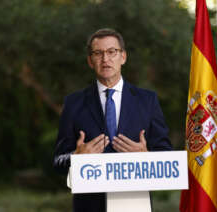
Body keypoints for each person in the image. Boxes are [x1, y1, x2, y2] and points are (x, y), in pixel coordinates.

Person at [53, 28, 172, 212]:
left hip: (135, 204)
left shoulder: (147, 101)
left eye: (112, 52)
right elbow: (58, 161)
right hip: (89, 206)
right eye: (98, 53)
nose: (105, 59)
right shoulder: (73, 103)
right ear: (90, 61)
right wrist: (77, 158)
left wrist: (146, 157)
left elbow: (166, 156)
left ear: (123, 57)